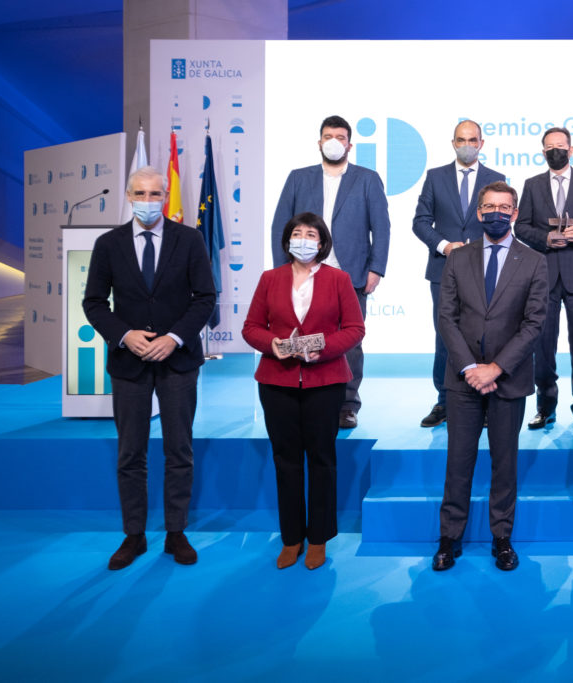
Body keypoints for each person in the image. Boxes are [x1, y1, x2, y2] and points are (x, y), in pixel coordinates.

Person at [82, 165, 216, 570]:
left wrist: (173, 338)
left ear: (166, 194)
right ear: (128, 196)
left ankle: (176, 533)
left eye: (154, 193)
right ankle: (134, 535)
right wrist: (124, 335)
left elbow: (205, 297)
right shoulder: (108, 244)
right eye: (139, 194)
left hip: (178, 362)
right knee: (130, 453)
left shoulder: (189, 239)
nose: (147, 201)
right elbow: (93, 303)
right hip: (129, 362)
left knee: (179, 450)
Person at [432, 181, 547, 572]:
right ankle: (450, 538)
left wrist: (496, 368)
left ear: (514, 214)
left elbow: (534, 324)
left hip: (508, 379)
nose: (496, 213)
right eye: (489, 207)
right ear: (479, 213)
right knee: (458, 462)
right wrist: (470, 369)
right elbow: (446, 317)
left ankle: (502, 538)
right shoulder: (457, 259)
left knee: (505, 462)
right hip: (462, 379)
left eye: (504, 207)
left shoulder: (534, 261)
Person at [242, 212, 365, 570]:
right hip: (276, 382)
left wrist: (322, 348)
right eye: (297, 233)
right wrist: (274, 343)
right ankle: (291, 537)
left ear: (322, 242)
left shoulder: (339, 279)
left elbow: (354, 328)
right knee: (286, 460)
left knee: (322, 459)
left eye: (311, 234)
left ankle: (318, 538)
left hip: (325, 382)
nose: (304, 240)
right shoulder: (270, 279)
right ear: (287, 241)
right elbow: (251, 328)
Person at [270, 115, 390, 430]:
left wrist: (376, 268)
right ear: (319, 141)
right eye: (328, 135)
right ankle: (307, 397)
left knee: (349, 343)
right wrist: (283, 272)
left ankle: (347, 406)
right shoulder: (299, 178)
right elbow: (280, 225)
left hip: (351, 276)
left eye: (340, 136)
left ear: (349, 144)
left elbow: (382, 226)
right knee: (303, 336)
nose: (334, 141)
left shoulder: (367, 178)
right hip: (304, 273)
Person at [514, 126, 573, 429]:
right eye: (549, 147)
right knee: (543, 346)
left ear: (571, 150)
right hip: (543, 275)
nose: (555, 150)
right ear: (543, 152)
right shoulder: (531, 185)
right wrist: (544, 238)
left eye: (560, 146)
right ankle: (545, 406)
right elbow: (521, 227)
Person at [412, 120, 505, 428]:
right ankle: (444, 402)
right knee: (445, 336)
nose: (467, 144)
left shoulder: (496, 179)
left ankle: (487, 401)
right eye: (461, 140)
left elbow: (501, 222)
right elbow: (420, 221)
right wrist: (444, 245)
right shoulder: (435, 177)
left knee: (485, 334)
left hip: (485, 268)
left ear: (482, 143)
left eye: (473, 139)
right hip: (444, 268)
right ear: (453, 143)